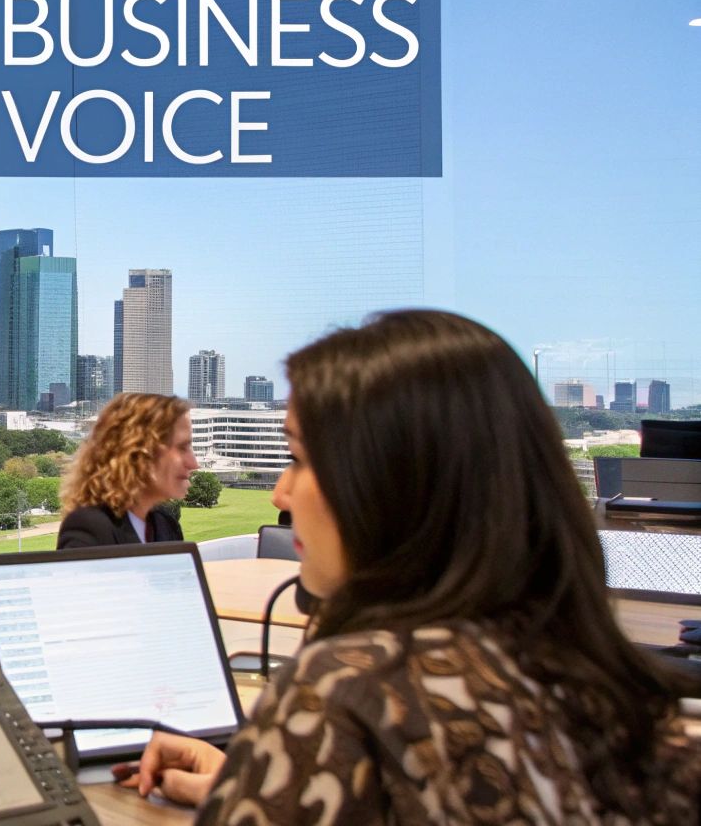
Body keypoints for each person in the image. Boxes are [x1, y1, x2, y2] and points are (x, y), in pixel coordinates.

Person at [124, 311, 699, 823]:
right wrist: (254, 780)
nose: (279, 493)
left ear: (395, 485)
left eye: (299, 459)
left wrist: (276, 773)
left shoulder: (349, 692)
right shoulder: (617, 698)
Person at [55, 392, 197, 549]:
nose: (194, 463)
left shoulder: (166, 525)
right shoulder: (89, 528)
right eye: (182, 448)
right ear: (139, 453)